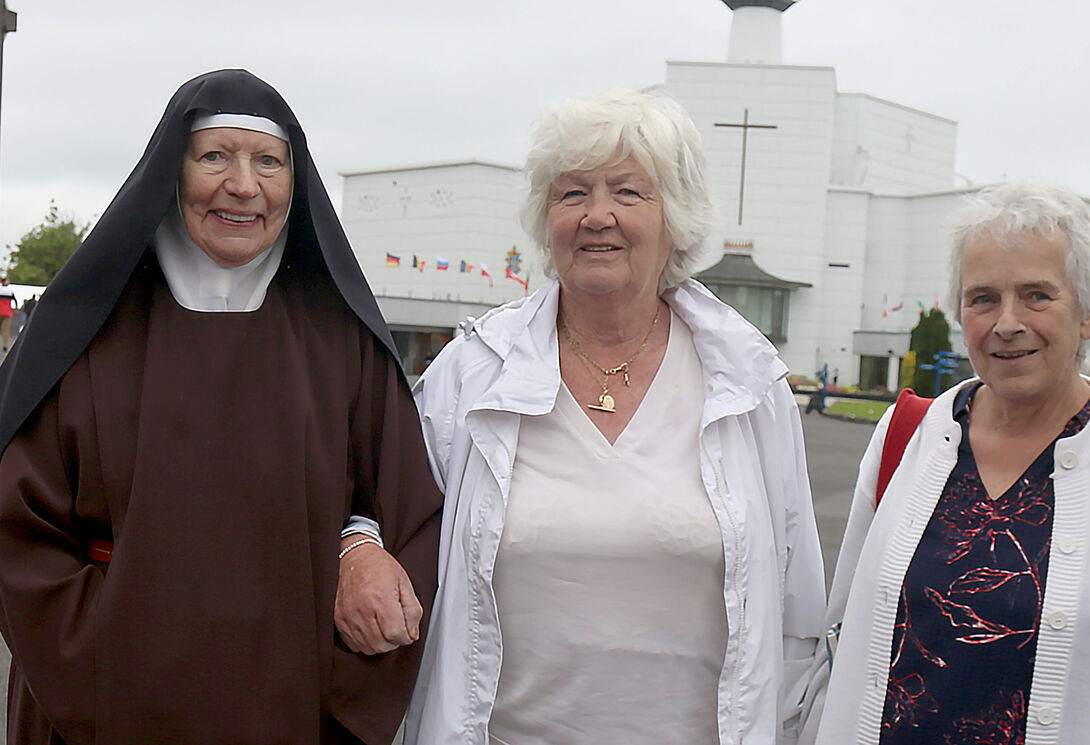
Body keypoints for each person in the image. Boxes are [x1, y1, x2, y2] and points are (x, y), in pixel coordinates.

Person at [342, 88, 825, 744]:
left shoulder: (746, 382)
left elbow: (797, 607)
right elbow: (376, 501)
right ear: (547, 219)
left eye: (628, 192)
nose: (598, 215)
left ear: (675, 216)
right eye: (573, 194)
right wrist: (357, 547)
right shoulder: (474, 370)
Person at [0, 69, 443, 744]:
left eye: (268, 161)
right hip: (103, 704)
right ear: (170, 174)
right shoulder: (86, 332)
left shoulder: (340, 338)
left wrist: (360, 554)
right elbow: (16, 525)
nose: (243, 184)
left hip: (293, 709)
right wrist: (102, 667)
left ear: (296, 184)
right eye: (214, 156)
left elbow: (410, 514)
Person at [801, 183, 1090, 744]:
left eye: (1037, 295)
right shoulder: (908, 435)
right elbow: (839, 639)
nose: (1007, 322)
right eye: (983, 298)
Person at [0, 277, 15, 350]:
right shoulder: (10, 291)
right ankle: (5, 345)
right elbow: (14, 300)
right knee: (6, 329)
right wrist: (15, 308)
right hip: (8, 311)